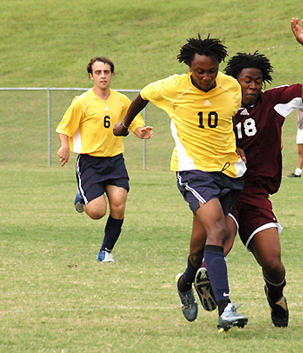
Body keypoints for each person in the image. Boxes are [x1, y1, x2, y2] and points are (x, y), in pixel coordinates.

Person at [113, 35, 248, 332]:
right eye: (200, 71)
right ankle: (225, 307)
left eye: (211, 70)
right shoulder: (173, 87)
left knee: (200, 248)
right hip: (192, 171)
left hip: (228, 171)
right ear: (190, 68)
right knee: (219, 229)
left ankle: (186, 281)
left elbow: (227, 122)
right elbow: (143, 95)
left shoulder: (232, 87)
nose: (206, 76)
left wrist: (237, 146)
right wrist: (125, 123)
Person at [193, 18, 303, 328]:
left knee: (274, 263)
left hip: (255, 195)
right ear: (232, 81)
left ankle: (275, 294)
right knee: (219, 240)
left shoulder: (275, 102)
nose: (253, 86)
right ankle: (214, 291)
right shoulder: (216, 104)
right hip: (222, 190)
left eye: (257, 80)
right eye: (247, 80)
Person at [56, 56, 153, 263]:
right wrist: (64, 146)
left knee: (119, 204)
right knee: (98, 212)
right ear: (91, 76)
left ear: (112, 75)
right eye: (98, 72)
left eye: (106, 72)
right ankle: (83, 197)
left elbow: (133, 121)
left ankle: (105, 251)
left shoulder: (121, 100)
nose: (103, 76)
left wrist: (141, 131)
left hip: (115, 161)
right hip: (90, 163)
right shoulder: (82, 102)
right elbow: (64, 128)